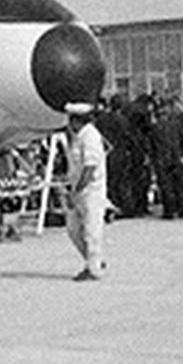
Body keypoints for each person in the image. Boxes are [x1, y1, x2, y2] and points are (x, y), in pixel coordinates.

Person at [64, 101, 108, 280]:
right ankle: (94, 260)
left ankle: (93, 269)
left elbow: (89, 168)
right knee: (73, 229)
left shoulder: (90, 136)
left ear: (76, 121)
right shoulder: (79, 137)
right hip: (79, 189)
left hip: (91, 191)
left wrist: (76, 192)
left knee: (92, 230)